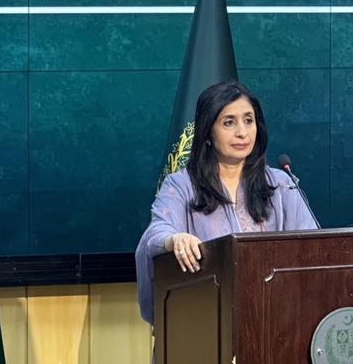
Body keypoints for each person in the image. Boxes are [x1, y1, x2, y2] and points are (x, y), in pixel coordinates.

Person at [135, 81, 319, 325]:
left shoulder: (280, 184)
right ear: (208, 133)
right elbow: (155, 235)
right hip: (203, 325)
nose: (242, 132)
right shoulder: (181, 185)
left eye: (248, 120)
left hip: (275, 322)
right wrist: (175, 239)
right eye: (229, 122)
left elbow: (314, 248)